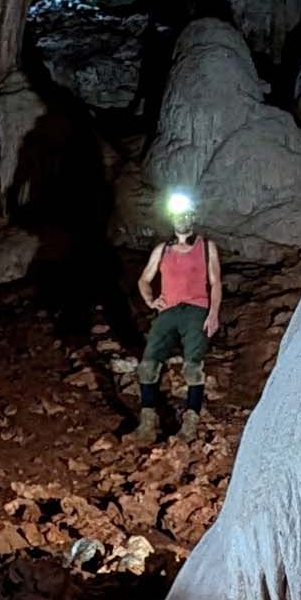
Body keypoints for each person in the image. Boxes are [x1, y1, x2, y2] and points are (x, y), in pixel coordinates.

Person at [125, 189, 222, 441]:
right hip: (168, 310)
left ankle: (190, 423)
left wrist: (213, 313)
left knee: (193, 368)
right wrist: (150, 300)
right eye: (177, 215)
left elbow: (216, 282)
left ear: (192, 216)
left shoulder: (206, 247)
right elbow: (144, 279)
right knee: (147, 366)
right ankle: (147, 423)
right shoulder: (162, 249)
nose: (182, 219)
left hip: (196, 310)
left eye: (186, 214)